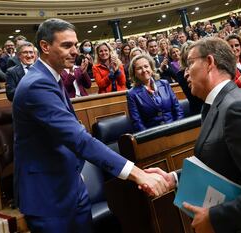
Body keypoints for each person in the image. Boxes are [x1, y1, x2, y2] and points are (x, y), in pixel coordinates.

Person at [12, 18, 168, 233]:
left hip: (72, 185)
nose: (75, 51)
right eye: (67, 45)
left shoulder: (52, 78)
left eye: (75, 44)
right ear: (45, 47)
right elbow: (78, 139)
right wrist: (136, 173)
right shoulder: (36, 84)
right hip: (49, 195)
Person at [146, 37, 241, 233]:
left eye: (190, 63)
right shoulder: (214, 105)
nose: (185, 72)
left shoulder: (237, 108)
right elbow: (221, 163)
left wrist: (215, 218)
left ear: (210, 63)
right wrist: (174, 179)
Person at [127, 54, 184, 132]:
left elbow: (178, 109)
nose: (144, 70)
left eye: (146, 66)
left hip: (175, 129)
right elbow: (137, 123)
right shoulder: (132, 94)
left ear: (151, 68)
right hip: (153, 136)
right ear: (134, 73)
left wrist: (178, 127)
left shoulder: (164, 83)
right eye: (139, 68)